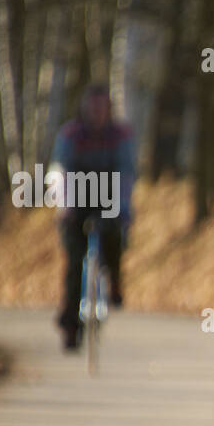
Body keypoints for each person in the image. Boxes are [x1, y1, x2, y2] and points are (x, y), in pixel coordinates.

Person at [52, 83, 135, 351]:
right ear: (84, 108)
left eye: (102, 108)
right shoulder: (70, 134)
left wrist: (122, 207)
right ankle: (70, 324)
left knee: (115, 241)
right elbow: (61, 171)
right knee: (74, 263)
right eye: (93, 107)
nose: (97, 113)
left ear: (109, 109)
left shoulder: (120, 135)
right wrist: (65, 205)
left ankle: (115, 283)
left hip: (109, 198)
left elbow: (126, 173)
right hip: (76, 200)